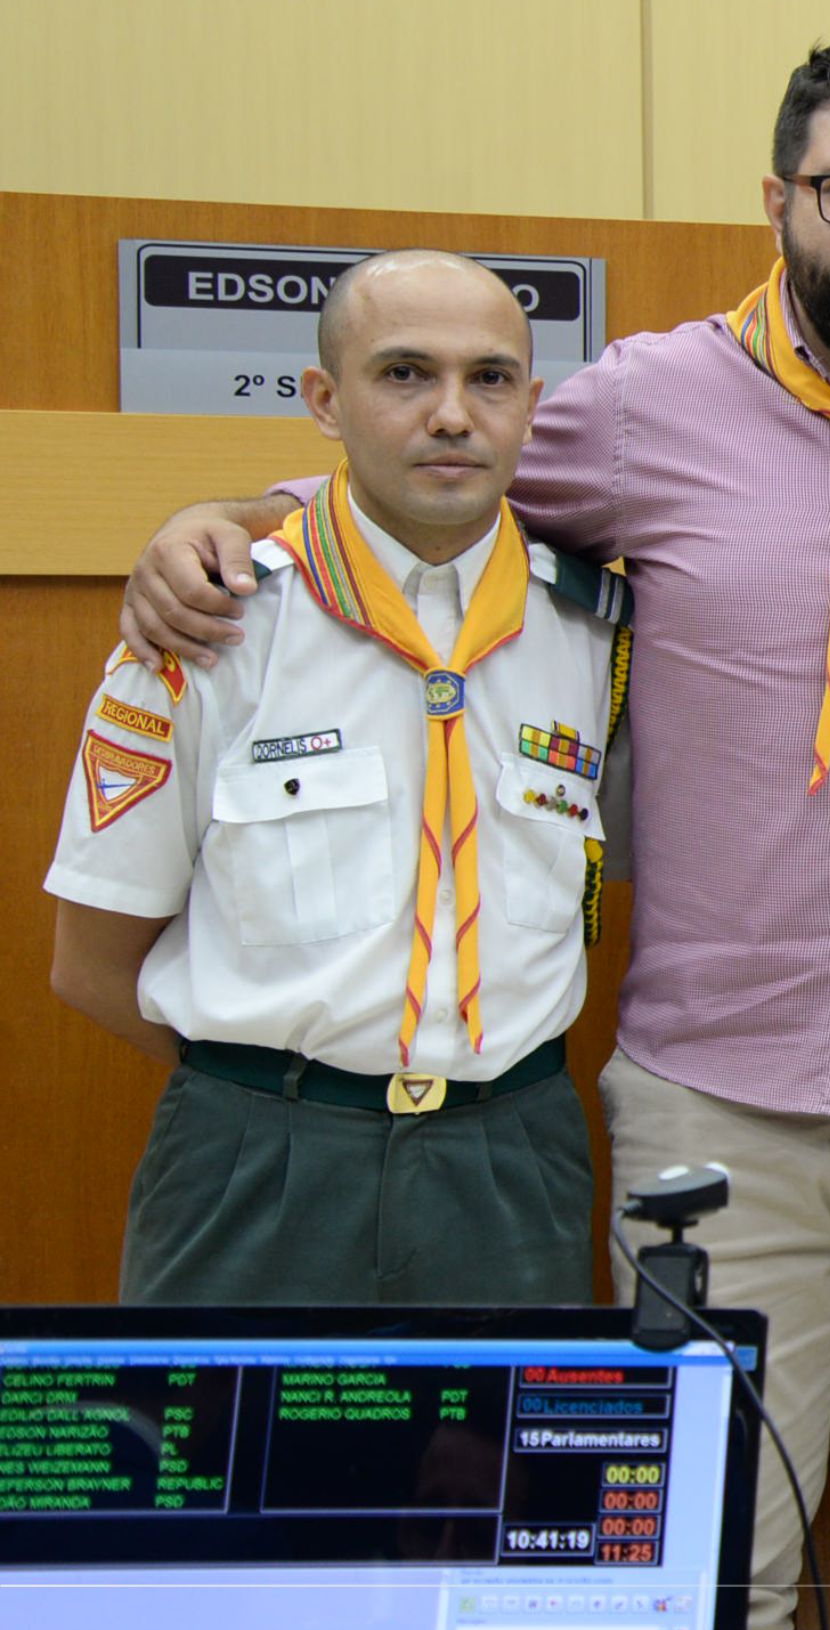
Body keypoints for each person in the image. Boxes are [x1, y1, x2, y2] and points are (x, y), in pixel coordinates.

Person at [113, 38, 830, 1630]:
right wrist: (219, 520)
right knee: (708, 1589)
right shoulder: (644, 404)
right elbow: (420, 478)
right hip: (709, 1116)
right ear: (780, 201)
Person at [49, 251, 625, 1304]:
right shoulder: (206, 628)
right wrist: (278, 1093)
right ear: (325, 400)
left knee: (495, 1425)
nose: (451, 414)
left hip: (510, 1159)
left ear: (532, 406)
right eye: (404, 373)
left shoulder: (596, 636)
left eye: (490, 378)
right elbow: (91, 963)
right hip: (254, 1156)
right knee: (216, 1422)